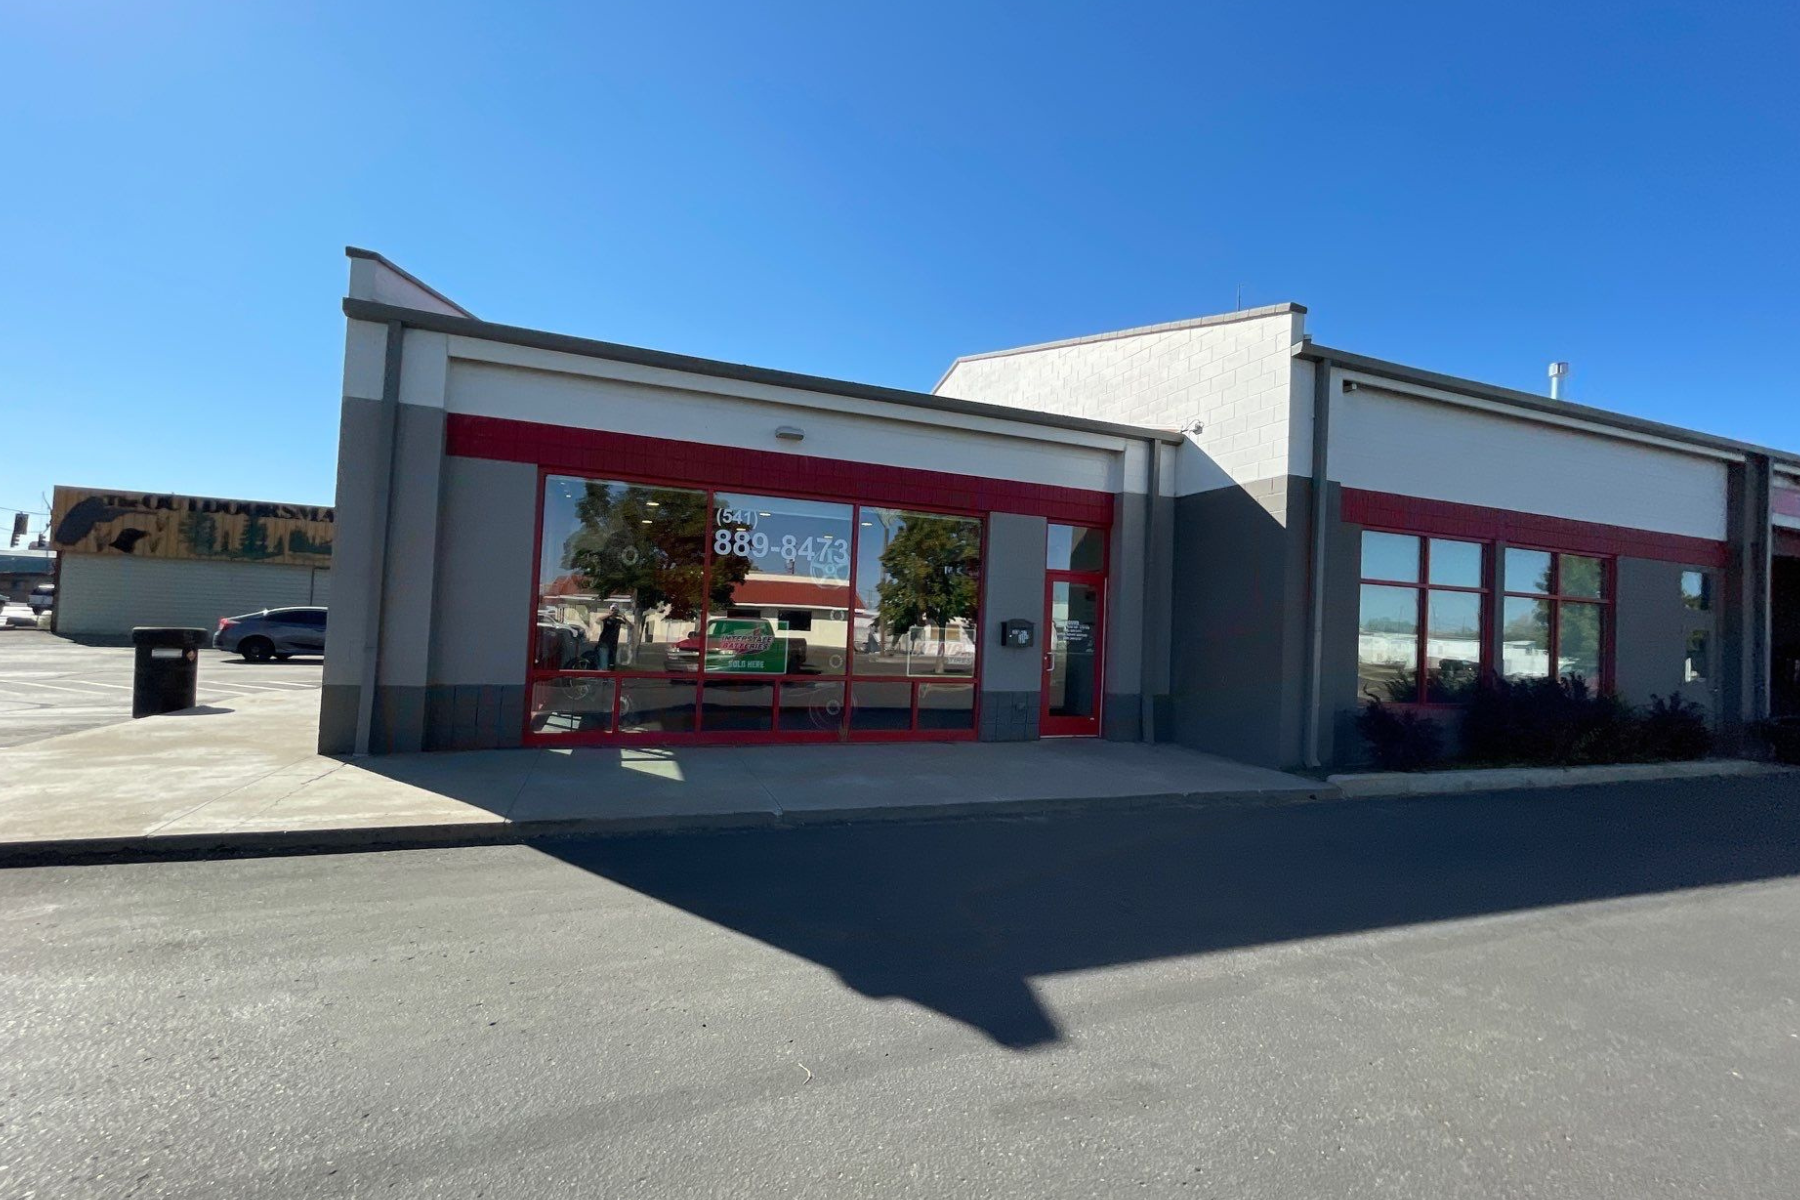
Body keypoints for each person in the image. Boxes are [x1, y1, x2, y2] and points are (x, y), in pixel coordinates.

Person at [597, 604, 625, 670]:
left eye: (616, 610)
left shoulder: (618, 621)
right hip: (604, 643)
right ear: (609, 610)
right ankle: (604, 677)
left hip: (613, 644)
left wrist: (624, 617)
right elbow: (598, 620)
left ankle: (610, 676)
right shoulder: (606, 619)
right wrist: (610, 614)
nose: (614, 612)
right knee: (604, 663)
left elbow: (631, 626)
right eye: (613, 610)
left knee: (611, 663)